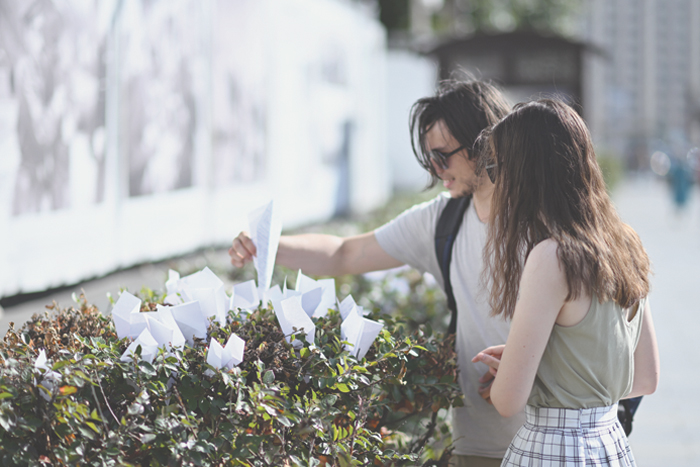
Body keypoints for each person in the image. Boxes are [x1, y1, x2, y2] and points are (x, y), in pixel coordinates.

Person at [229, 80, 525, 466]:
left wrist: (526, 372)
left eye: (442, 157)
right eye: (429, 160)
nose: (435, 171)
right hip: (475, 446)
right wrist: (267, 246)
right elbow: (344, 253)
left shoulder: (545, 223)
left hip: (551, 441)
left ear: (483, 143)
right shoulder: (441, 221)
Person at [472, 99, 660, 466]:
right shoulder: (625, 242)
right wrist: (547, 364)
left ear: (524, 174)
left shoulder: (552, 257)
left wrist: (513, 366)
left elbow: (507, 400)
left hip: (553, 448)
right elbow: (645, 379)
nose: (495, 181)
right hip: (610, 443)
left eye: (495, 169)